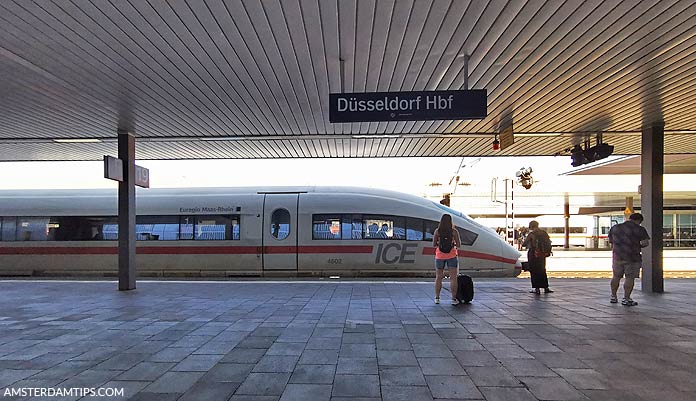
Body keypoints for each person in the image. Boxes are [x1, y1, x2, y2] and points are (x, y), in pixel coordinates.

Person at [607, 213, 650, 306]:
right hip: (632, 257)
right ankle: (626, 298)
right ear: (639, 221)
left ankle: (613, 297)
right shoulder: (639, 229)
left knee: (616, 277)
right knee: (630, 278)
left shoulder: (615, 227)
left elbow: (611, 241)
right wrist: (637, 245)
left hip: (617, 256)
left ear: (629, 218)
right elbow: (645, 243)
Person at [433, 214, 461, 305]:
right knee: (453, 278)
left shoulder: (437, 231)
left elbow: (433, 244)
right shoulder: (454, 232)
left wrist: (440, 244)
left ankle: (437, 298)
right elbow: (459, 244)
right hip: (452, 256)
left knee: (438, 277)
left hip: (439, 256)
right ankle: (453, 299)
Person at [522, 220, 553, 294]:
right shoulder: (544, 233)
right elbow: (549, 242)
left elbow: (524, 244)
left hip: (533, 254)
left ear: (531, 226)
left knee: (534, 271)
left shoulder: (531, 234)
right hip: (542, 254)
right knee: (542, 270)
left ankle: (537, 289)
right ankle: (546, 288)